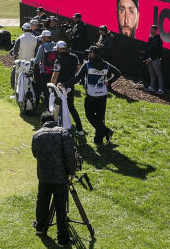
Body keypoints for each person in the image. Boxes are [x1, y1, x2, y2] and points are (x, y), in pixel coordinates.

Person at [31, 111, 75, 247]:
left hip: (44, 176)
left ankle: (40, 228)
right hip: (60, 178)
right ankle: (62, 240)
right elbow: (70, 155)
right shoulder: (63, 133)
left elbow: (35, 154)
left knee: (42, 202)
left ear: (41, 123)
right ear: (54, 120)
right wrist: (71, 172)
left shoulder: (36, 135)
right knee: (61, 209)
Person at [73, 46, 121, 146]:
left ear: (92, 54)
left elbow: (77, 77)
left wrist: (65, 84)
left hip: (91, 95)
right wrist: (109, 81)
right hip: (103, 95)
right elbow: (118, 73)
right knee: (99, 118)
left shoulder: (87, 64)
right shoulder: (106, 64)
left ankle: (106, 131)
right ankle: (98, 140)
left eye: (90, 53)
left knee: (89, 115)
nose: (88, 54)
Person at [50, 41, 85, 136]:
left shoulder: (58, 60)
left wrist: (51, 86)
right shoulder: (75, 57)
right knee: (71, 107)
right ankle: (80, 129)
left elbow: (55, 76)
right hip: (71, 85)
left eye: (57, 48)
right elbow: (79, 68)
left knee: (58, 107)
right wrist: (73, 77)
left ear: (60, 49)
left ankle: (60, 128)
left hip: (60, 87)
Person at [32, 30, 58, 108]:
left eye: (42, 38)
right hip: (54, 71)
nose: (41, 39)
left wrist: (31, 60)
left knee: (44, 90)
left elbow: (37, 60)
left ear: (45, 38)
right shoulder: (55, 45)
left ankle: (47, 107)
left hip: (44, 71)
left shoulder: (42, 46)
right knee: (53, 89)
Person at [142, 24, 164, 94]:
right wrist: (147, 58)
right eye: (150, 30)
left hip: (156, 60)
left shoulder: (159, 40)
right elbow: (148, 50)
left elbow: (157, 51)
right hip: (149, 59)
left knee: (159, 74)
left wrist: (151, 58)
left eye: (152, 30)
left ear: (155, 31)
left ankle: (160, 89)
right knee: (152, 74)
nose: (150, 31)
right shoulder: (150, 39)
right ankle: (151, 87)